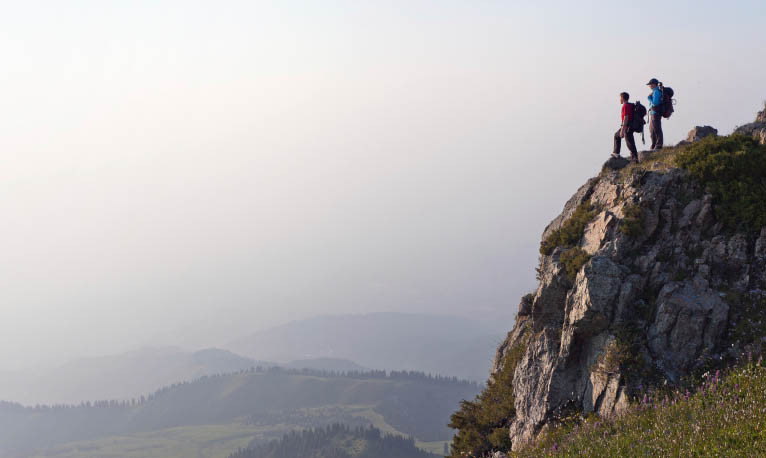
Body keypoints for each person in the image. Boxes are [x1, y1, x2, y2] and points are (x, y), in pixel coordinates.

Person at [612, 92, 638, 162]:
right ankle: (616, 153)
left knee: (629, 143)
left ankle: (635, 159)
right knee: (618, 137)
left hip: (627, 126)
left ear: (622, 98)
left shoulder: (625, 106)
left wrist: (622, 130)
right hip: (631, 126)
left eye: (620, 98)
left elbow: (626, 118)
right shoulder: (630, 105)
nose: (619, 99)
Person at [647, 78, 663, 150]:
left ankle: (658, 144)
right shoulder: (655, 92)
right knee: (652, 130)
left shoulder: (656, 92)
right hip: (653, 113)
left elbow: (655, 103)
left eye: (650, 84)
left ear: (653, 84)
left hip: (656, 113)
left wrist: (649, 98)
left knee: (657, 129)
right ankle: (654, 145)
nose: (649, 86)